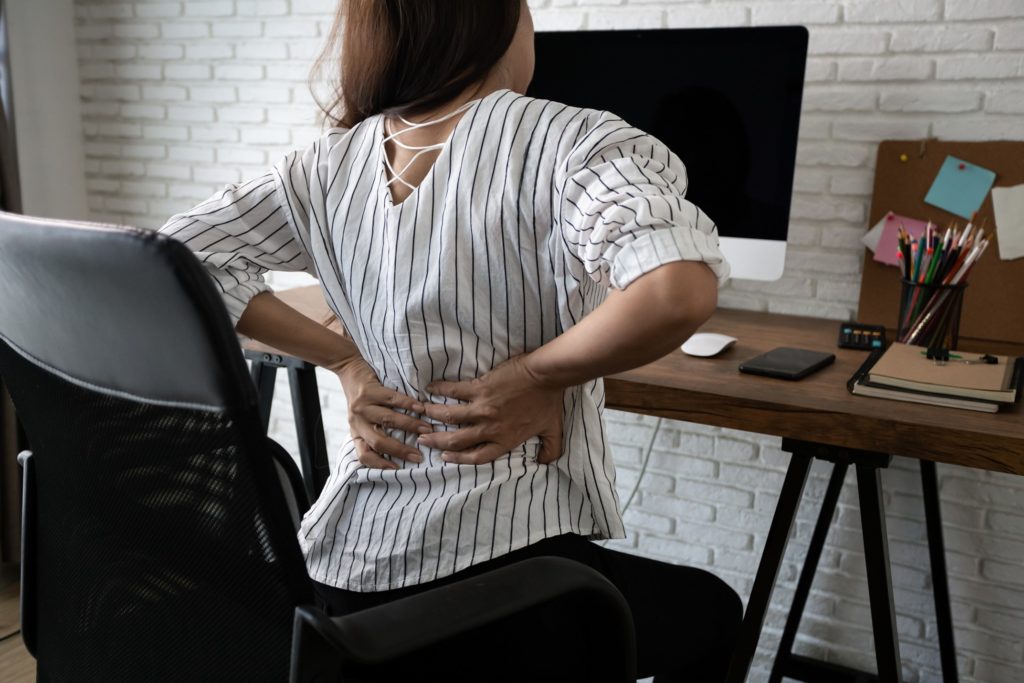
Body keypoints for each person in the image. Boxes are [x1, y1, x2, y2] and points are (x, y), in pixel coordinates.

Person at [160, 1, 740, 679]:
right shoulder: (571, 142)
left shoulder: (325, 165)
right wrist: (538, 376)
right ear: (491, 21)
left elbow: (180, 255)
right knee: (715, 611)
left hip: (347, 581)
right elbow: (675, 289)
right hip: (510, 588)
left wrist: (344, 359)